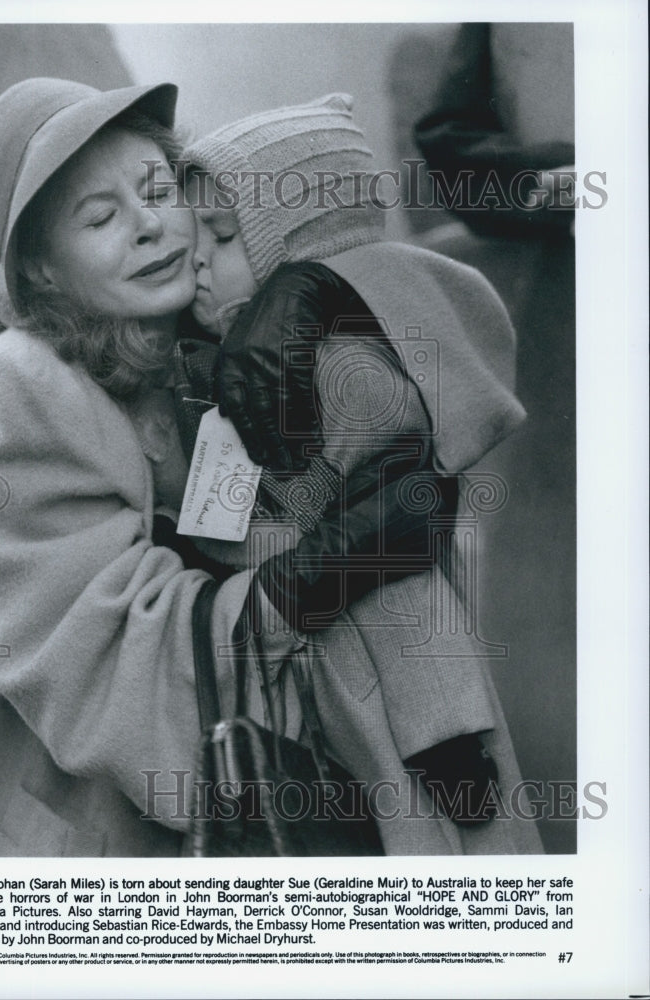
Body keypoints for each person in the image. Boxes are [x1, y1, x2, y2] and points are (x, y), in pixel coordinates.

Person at [0, 78, 417, 857]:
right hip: (78, 838)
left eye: (158, 188)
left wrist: (310, 292)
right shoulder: (16, 387)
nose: (148, 225)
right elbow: (107, 657)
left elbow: (432, 328)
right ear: (41, 275)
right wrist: (321, 573)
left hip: (266, 785)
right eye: (99, 217)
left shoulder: (217, 331)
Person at [174, 93, 543, 853]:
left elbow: (403, 581)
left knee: (432, 862)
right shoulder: (270, 363)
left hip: (396, 709)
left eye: (220, 236)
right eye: (192, 238)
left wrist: (443, 730)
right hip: (335, 676)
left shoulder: (336, 377)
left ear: (299, 254)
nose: (196, 263)